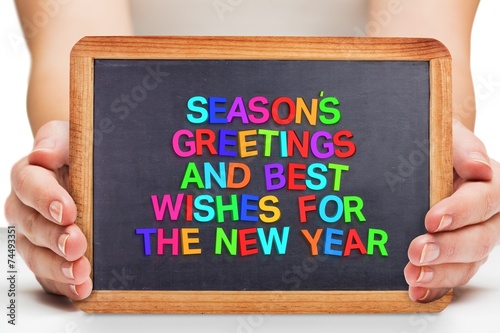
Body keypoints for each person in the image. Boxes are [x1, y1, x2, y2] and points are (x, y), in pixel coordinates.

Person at [5, 0, 499, 303]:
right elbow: (73, 41)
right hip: (145, 248)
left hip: (367, 243)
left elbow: (426, 50)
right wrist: (71, 162)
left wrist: (438, 147)